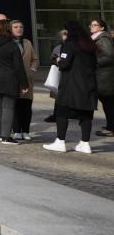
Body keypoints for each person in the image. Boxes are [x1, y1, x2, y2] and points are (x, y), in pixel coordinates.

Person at [44, 21, 98, 154]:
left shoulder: (70, 44)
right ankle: (85, 143)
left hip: (71, 85)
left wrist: (58, 60)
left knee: (62, 112)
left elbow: (64, 65)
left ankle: (60, 142)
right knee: (86, 115)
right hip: (89, 84)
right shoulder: (90, 45)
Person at [10, 20, 37, 141]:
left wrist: (32, 70)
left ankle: (26, 131)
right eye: (15, 27)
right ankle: (16, 131)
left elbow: (35, 59)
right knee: (15, 106)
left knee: (26, 107)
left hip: (27, 79)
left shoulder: (27, 42)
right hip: (13, 79)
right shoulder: (8, 43)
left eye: (21, 27)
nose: (19, 29)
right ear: (10, 29)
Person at [89, 19, 114, 138]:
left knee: (108, 102)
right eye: (91, 25)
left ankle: (111, 128)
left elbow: (109, 56)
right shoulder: (97, 38)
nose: (91, 27)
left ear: (102, 28)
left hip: (105, 76)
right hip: (103, 75)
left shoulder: (103, 39)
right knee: (108, 102)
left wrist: (95, 62)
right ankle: (110, 125)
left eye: (95, 25)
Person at [44, 29, 68, 123]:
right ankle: (57, 114)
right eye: (65, 34)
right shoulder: (58, 47)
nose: (66, 36)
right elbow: (52, 60)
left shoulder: (76, 47)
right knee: (58, 96)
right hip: (60, 75)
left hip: (70, 76)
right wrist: (57, 60)